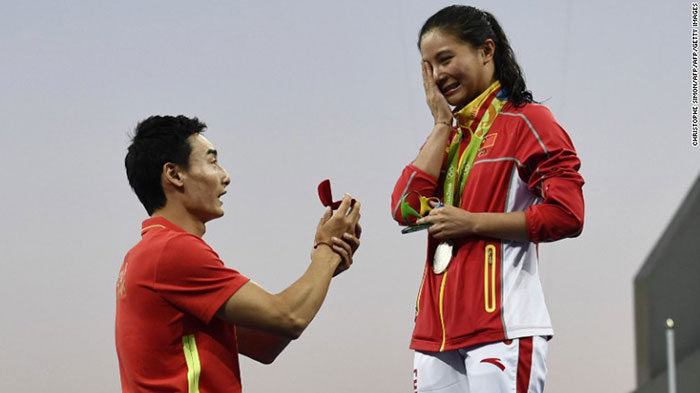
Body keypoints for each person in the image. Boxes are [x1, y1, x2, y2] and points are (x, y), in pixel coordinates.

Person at [390, 5, 584, 393]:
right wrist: (442, 124)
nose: (438, 74)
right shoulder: (449, 137)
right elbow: (405, 208)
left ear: (486, 51)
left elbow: (567, 215)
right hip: (435, 336)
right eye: (428, 66)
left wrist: (473, 222)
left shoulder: (528, 121)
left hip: (503, 326)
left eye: (445, 58)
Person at [116, 115, 362, 392]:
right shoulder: (174, 251)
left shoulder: (147, 253)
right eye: (212, 162)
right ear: (174, 174)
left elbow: (264, 344)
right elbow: (289, 316)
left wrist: (326, 267)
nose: (225, 176)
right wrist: (326, 252)